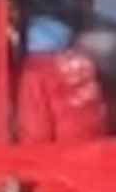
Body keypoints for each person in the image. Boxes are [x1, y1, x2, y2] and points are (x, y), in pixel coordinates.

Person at [16, 14, 107, 144]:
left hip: (61, 153)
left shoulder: (35, 72)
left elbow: (35, 131)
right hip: (94, 149)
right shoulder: (85, 63)